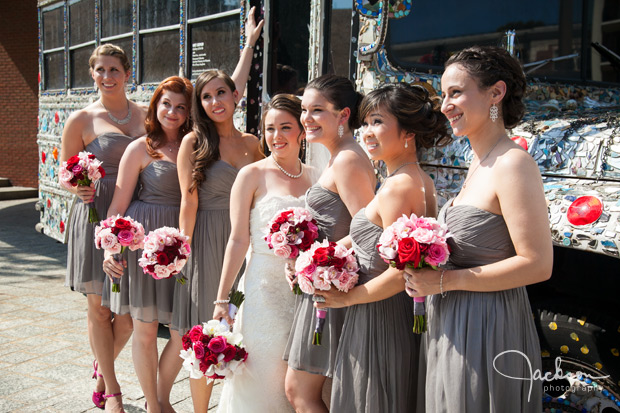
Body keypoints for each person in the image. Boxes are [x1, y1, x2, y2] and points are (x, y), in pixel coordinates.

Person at [404, 46, 553, 412]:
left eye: (455, 92)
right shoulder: (478, 163)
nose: (444, 105)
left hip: (488, 328)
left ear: (496, 93)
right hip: (452, 324)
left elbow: (537, 264)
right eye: (444, 94)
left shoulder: (513, 164)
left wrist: (444, 282)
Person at [314, 82, 451, 412]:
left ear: (407, 131)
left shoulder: (397, 188)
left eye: (377, 121)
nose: (367, 132)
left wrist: (347, 298)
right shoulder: (418, 179)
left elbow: (402, 272)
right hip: (393, 312)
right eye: (366, 123)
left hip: (378, 314)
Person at [169, 9, 264, 412]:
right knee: (206, 334)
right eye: (205, 97)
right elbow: (188, 202)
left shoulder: (252, 143)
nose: (214, 102)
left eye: (220, 93)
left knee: (244, 330)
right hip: (208, 241)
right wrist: (183, 253)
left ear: (234, 96)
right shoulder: (194, 143)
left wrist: (249, 44)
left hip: (248, 243)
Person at [214, 94, 316, 413]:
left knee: (298, 381)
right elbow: (238, 240)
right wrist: (222, 300)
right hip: (263, 293)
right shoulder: (251, 175)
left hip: (306, 293)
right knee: (263, 376)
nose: (276, 136)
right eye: (269, 128)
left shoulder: (317, 177)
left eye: (285, 127)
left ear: (302, 131)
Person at [283, 74, 376, 412]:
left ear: (343, 115)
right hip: (321, 282)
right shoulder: (338, 156)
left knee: (300, 391)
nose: (306, 118)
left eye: (317, 110)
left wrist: (313, 260)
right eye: (304, 110)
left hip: (334, 287)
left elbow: (368, 229)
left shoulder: (349, 159)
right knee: (306, 391)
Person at [61, 43, 146, 413]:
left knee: (126, 317)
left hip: (134, 218)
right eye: (100, 70)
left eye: (114, 70)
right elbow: (64, 171)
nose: (107, 77)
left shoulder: (147, 116)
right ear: (92, 74)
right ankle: (112, 392)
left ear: (128, 73)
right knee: (99, 310)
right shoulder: (81, 120)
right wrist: (75, 185)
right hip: (94, 215)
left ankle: (101, 369)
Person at [101, 76, 192, 413]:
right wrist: (111, 249)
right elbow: (117, 206)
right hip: (143, 247)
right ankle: (154, 405)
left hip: (182, 244)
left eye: (181, 107)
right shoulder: (139, 147)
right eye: (166, 103)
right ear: (155, 105)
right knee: (146, 328)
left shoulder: (195, 146)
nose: (173, 111)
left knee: (181, 327)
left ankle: (162, 395)